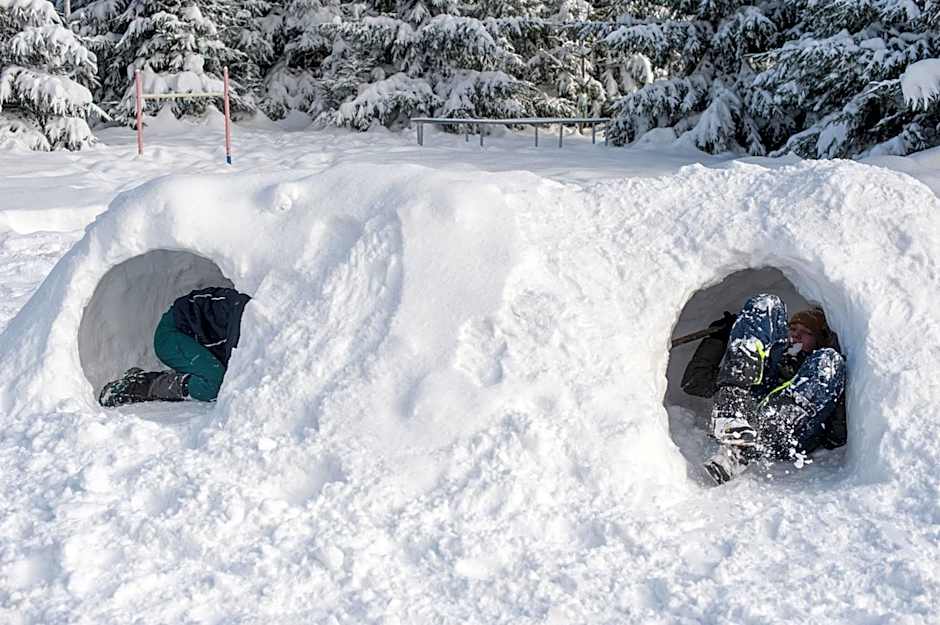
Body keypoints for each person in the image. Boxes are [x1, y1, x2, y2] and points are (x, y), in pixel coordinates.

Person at [682, 294, 847, 485]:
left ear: (818, 340)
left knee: (830, 361)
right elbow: (695, 382)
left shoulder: (821, 366)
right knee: (766, 304)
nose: (796, 335)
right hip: (748, 412)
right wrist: (719, 338)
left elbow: (836, 435)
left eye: (806, 332)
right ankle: (732, 408)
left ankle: (744, 448)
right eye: (792, 328)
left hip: (791, 432)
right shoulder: (767, 367)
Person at [99, 286, 251, 407]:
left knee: (219, 378)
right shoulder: (245, 310)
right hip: (171, 335)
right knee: (214, 385)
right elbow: (238, 362)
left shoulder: (247, 311)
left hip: (194, 343)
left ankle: (172, 379)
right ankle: (142, 385)